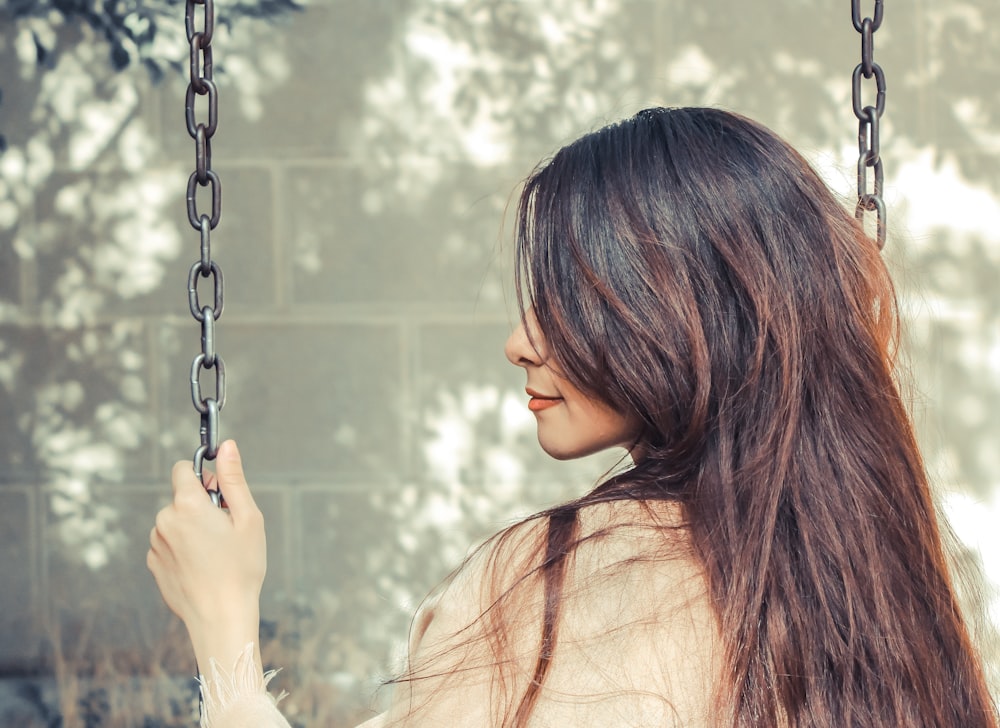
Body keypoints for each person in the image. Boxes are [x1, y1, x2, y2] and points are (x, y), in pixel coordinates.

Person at [147, 107, 999, 727]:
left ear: (679, 317)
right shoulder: (879, 581)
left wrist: (223, 629)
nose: (518, 342)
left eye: (567, 300)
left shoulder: (569, 581)